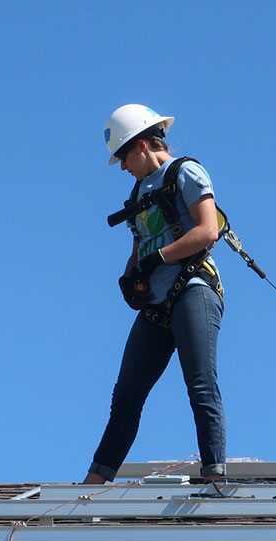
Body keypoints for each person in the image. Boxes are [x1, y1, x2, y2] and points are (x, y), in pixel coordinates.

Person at [83, 104, 227, 485]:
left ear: (142, 145)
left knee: (199, 381)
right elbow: (137, 251)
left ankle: (214, 476)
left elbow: (208, 230)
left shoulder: (185, 172)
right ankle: (93, 487)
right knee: (126, 395)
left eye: (124, 159)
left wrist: (158, 259)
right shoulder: (137, 196)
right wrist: (131, 277)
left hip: (192, 287)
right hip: (156, 303)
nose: (123, 168)